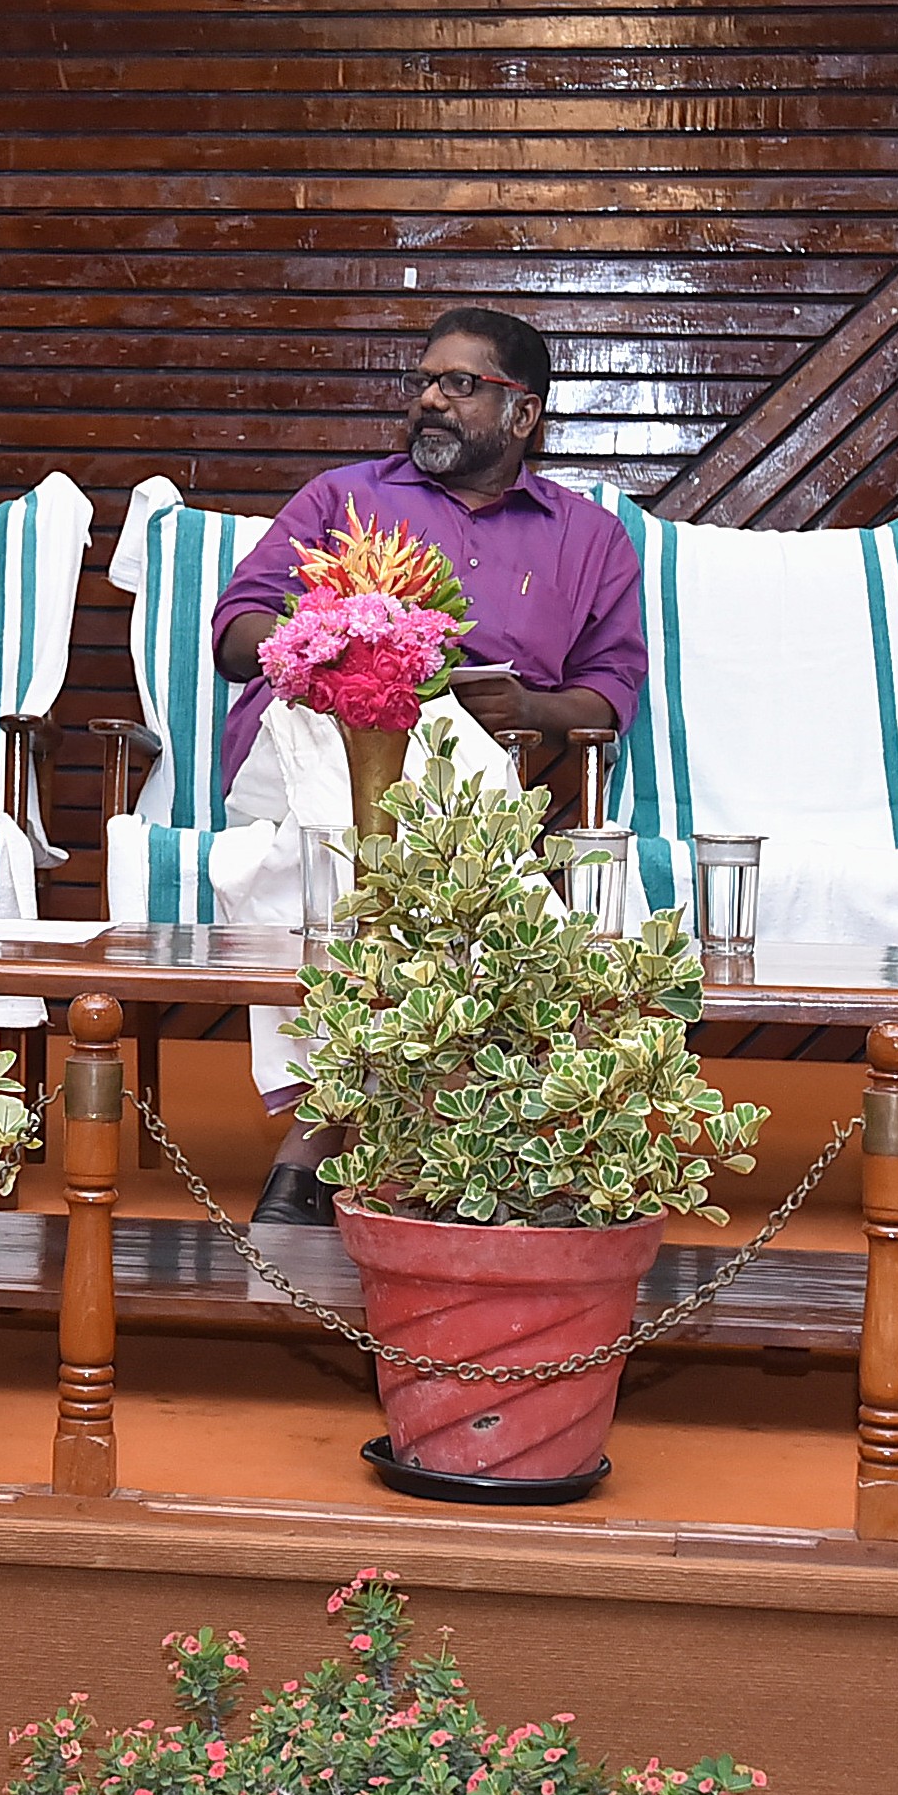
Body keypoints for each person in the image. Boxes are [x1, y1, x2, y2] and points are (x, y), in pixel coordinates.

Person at [208, 306, 650, 1224]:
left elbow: (609, 696)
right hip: (316, 745)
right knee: (396, 797)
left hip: (487, 765)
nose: (430, 402)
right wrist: (330, 644)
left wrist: (531, 711)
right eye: (422, 383)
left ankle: (328, 1141)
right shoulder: (342, 500)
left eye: (459, 385)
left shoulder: (589, 539)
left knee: (431, 776)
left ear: (524, 413)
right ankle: (456, 1142)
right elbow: (235, 631)